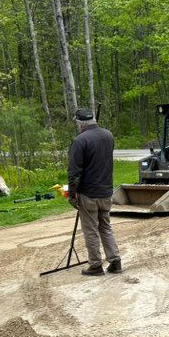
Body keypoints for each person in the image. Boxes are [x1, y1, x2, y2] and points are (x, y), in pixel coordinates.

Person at [67, 108, 121, 276]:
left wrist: (72, 194)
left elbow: (74, 171)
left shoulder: (80, 140)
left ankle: (96, 265)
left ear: (80, 122)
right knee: (105, 226)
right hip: (106, 191)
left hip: (89, 193)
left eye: (76, 122)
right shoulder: (108, 135)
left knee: (91, 230)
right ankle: (115, 261)